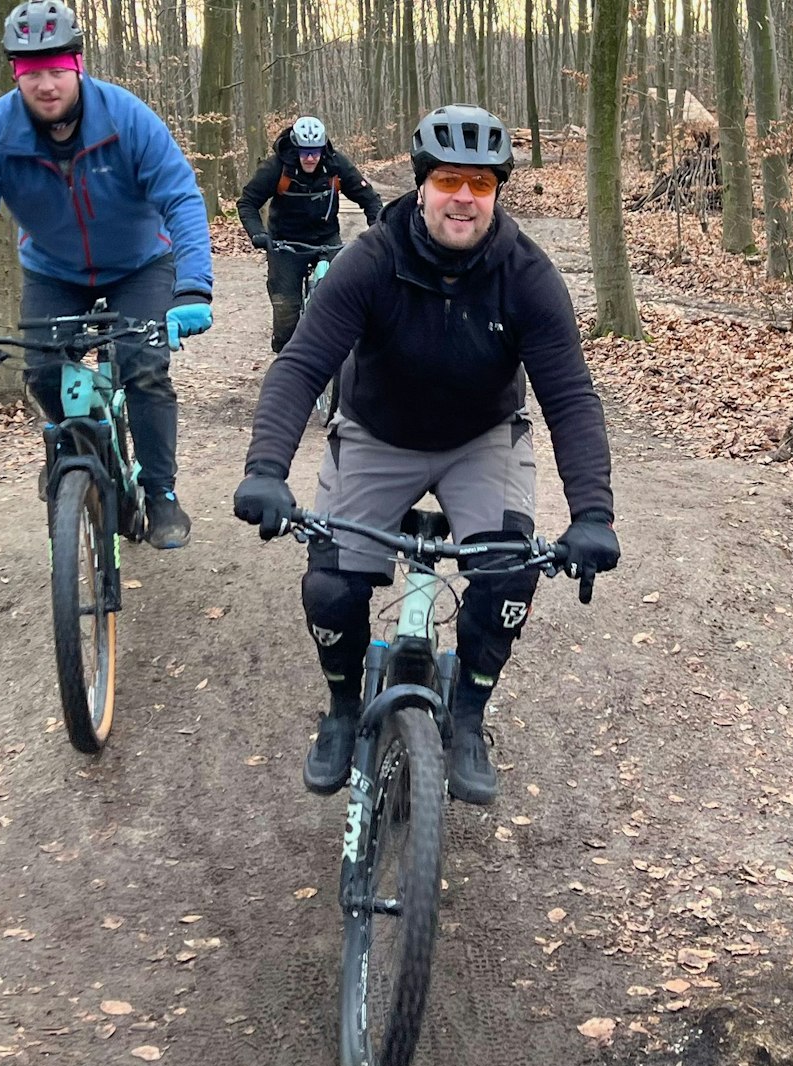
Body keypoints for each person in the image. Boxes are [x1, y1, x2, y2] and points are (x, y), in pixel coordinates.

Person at [230, 104, 620, 805]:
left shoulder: (526, 275)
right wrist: (265, 471)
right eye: (448, 180)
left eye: (480, 183)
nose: (463, 198)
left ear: (497, 191)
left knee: (507, 574)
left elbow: (569, 397)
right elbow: (300, 365)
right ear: (420, 184)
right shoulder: (371, 260)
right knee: (330, 583)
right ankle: (344, 708)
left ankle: (467, 714)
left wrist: (592, 513)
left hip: (481, 439)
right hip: (378, 434)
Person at [0, 0, 213, 549]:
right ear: (17, 75)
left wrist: (192, 288)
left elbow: (181, 197)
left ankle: (161, 493)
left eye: (57, 69)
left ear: (77, 65)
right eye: (33, 73)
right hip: (54, 270)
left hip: (141, 264)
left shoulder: (126, 118)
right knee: (43, 372)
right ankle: (65, 444)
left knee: (143, 368)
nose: (47, 84)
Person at [237, 116, 384, 353]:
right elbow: (247, 203)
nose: (310, 158)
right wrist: (258, 234)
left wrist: (377, 229)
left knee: (345, 294)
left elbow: (369, 199)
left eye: (315, 152)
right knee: (286, 308)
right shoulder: (276, 168)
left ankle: (342, 351)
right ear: (295, 148)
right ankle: (285, 356)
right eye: (304, 152)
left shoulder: (336, 165)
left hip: (327, 240)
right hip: (286, 243)